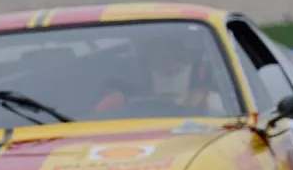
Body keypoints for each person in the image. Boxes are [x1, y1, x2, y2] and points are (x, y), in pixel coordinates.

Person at [94, 26, 225, 114]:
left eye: (180, 59)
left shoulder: (214, 104)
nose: (171, 67)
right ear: (144, 67)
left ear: (195, 68)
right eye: (161, 60)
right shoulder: (118, 102)